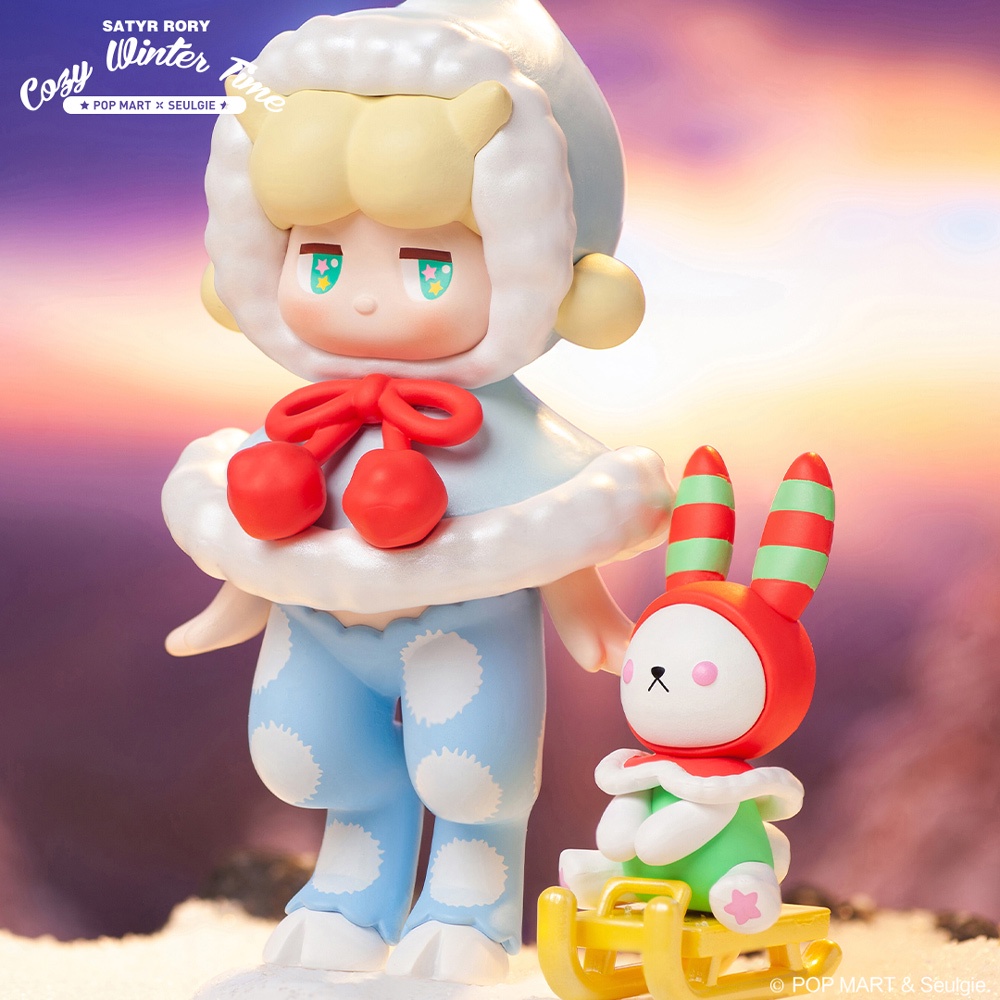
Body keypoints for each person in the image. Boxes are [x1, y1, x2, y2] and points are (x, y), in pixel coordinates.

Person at [162, 0, 671, 984]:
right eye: (321, 257)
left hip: (463, 629)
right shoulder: (305, 418)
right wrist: (242, 585)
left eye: (428, 265)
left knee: (469, 771)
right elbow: (266, 512)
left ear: (535, 267)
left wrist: (584, 607)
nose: (363, 296)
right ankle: (350, 890)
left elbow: (554, 519)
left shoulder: (500, 430)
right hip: (317, 627)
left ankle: (470, 903)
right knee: (303, 750)